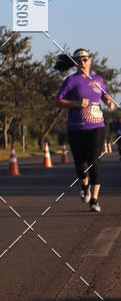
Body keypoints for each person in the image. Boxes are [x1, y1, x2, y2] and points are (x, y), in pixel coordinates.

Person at [55, 48, 114, 212]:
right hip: (76, 128)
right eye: (79, 60)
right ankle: (84, 184)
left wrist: (108, 101)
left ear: (90, 60)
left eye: (85, 59)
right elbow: (58, 102)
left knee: (94, 160)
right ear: (75, 63)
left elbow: (105, 95)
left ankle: (94, 200)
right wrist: (75, 104)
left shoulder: (98, 80)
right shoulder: (70, 81)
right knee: (80, 163)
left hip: (96, 127)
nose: (82, 62)